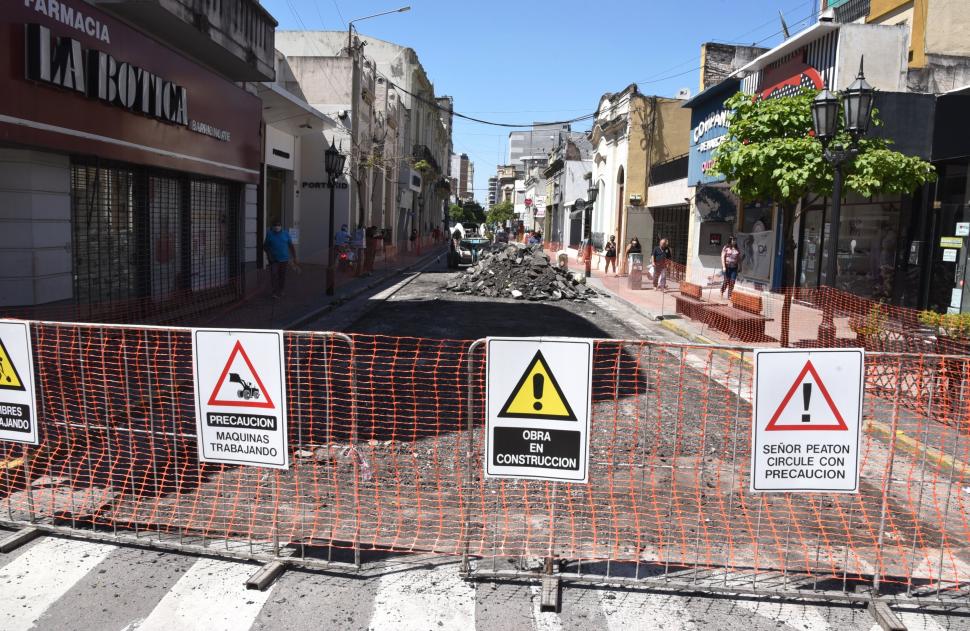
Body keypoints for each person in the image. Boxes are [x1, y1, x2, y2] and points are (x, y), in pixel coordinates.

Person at [263, 221, 298, 299]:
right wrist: (269, 256)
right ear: (272, 227)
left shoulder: (286, 234)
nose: (276, 227)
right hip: (274, 260)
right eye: (275, 225)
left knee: (282, 275)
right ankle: (274, 292)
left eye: (278, 225)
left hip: (284, 259)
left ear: (281, 226)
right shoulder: (269, 234)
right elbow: (265, 246)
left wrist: (294, 257)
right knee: (274, 275)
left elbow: (291, 246)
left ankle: (281, 290)